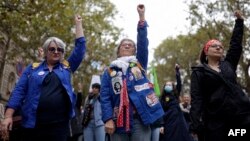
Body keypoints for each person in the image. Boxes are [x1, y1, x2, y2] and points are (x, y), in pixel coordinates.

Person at [0, 14, 86, 141]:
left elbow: (80, 48)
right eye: (52, 49)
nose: (56, 51)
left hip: (59, 126)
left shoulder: (67, 67)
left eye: (60, 49)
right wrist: (8, 116)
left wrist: (78, 25)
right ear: (46, 52)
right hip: (32, 125)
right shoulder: (33, 68)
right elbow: (19, 91)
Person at [100, 4, 164, 141]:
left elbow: (142, 44)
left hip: (140, 119)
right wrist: (108, 119)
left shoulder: (139, 64)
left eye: (131, 45)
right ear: (118, 50)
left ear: (135, 50)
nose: (127, 45)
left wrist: (141, 18)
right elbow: (105, 97)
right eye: (124, 44)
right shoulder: (109, 71)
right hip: (118, 122)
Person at [190, 11, 250, 141]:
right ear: (206, 51)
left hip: (240, 118)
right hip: (217, 124)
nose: (219, 48)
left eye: (221, 47)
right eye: (214, 46)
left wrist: (239, 22)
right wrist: (195, 125)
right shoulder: (198, 72)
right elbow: (197, 99)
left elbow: (235, 45)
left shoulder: (228, 65)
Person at [159, 64, 192, 141]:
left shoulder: (175, 94)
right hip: (168, 121)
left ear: (173, 87)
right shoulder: (162, 98)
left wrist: (177, 71)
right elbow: (161, 112)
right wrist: (161, 125)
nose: (168, 86)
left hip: (179, 121)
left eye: (170, 85)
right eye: (167, 85)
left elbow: (179, 83)